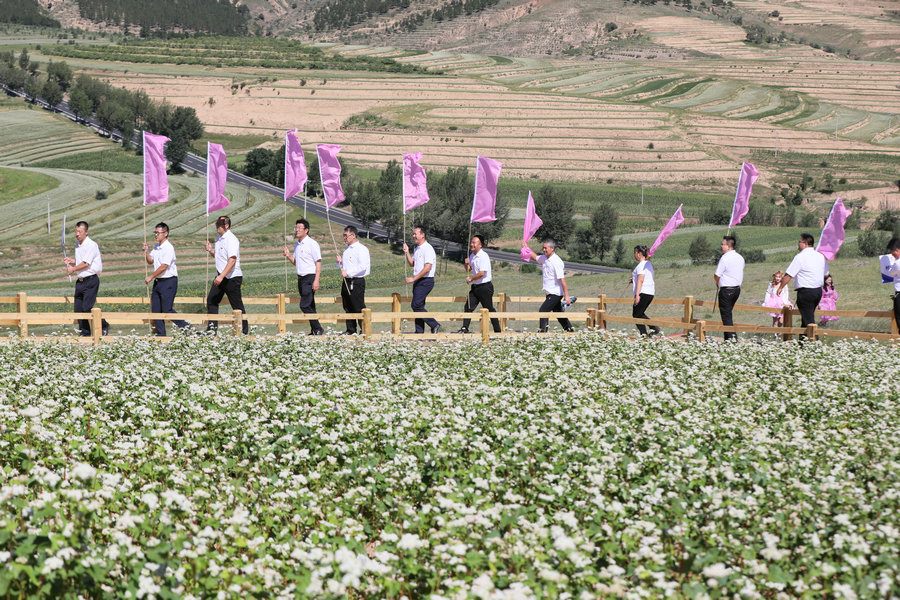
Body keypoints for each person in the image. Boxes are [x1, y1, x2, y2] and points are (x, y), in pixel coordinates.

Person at [143, 222, 190, 336]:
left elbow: (164, 266)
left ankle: (187, 328)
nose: (156, 235)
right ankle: (161, 335)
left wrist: (151, 276)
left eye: (158, 233)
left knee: (167, 310)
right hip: (158, 282)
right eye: (155, 232)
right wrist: (146, 252)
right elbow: (150, 261)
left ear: (165, 233)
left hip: (169, 281)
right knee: (156, 310)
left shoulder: (168, 248)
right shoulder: (156, 247)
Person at [64, 220, 109, 337]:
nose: (77, 234)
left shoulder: (91, 245)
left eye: (80, 231)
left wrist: (73, 269)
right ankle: (85, 334)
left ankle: (104, 325)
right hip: (80, 281)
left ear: (86, 232)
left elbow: (86, 263)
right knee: (78, 310)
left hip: (91, 280)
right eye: (76, 231)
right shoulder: (78, 245)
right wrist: (72, 261)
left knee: (87, 308)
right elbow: (81, 261)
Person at [776, 233, 827, 336]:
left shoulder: (800, 257)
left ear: (805, 243)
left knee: (809, 321)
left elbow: (789, 275)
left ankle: (815, 341)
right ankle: (802, 342)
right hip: (818, 291)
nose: (798, 244)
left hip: (806, 292)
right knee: (806, 317)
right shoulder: (820, 256)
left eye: (799, 242)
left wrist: (780, 287)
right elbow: (825, 273)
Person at [205, 215, 248, 334]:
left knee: (236, 305)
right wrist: (211, 250)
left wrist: (221, 276)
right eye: (217, 224)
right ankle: (211, 330)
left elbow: (232, 260)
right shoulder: (219, 238)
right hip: (222, 276)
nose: (217, 227)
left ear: (226, 226)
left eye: (219, 225)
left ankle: (243, 332)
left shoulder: (231, 239)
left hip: (232, 277)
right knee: (212, 300)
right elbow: (219, 256)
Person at [521, 238, 574, 333]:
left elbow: (562, 280)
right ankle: (570, 331)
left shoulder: (556, 261)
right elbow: (535, 257)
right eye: (543, 248)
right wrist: (526, 247)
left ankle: (542, 333)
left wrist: (566, 296)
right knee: (559, 314)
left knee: (543, 311)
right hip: (549, 293)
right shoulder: (545, 258)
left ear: (552, 248)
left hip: (555, 293)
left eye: (546, 248)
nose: (544, 250)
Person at [283, 218, 324, 335]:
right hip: (300, 278)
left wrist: (316, 280)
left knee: (304, 305)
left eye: (299, 228)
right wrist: (288, 255)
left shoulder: (312, 244)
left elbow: (318, 262)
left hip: (310, 277)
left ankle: (318, 328)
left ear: (306, 230)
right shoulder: (297, 244)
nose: (297, 230)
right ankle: (315, 330)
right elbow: (296, 262)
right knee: (310, 305)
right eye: (296, 227)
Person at [457, 234, 500, 334]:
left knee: (489, 309)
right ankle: (464, 328)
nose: (472, 244)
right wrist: (466, 264)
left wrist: (471, 278)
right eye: (471, 242)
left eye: (474, 242)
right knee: (468, 306)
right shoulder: (472, 255)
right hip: (475, 287)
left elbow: (482, 273)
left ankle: (498, 331)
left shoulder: (483, 256)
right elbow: (469, 270)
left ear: (480, 245)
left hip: (485, 287)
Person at [403, 225, 441, 334]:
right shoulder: (417, 248)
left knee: (416, 305)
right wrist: (407, 252)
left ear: (422, 235)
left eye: (415, 234)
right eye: (413, 234)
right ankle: (419, 332)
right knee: (419, 306)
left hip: (426, 281)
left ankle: (434, 324)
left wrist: (413, 278)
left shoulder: (427, 248)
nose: (413, 236)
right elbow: (412, 263)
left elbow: (427, 268)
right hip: (418, 281)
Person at [336, 225, 370, 334]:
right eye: (343, 235)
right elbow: (345, 267)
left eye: (346, 235)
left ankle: (365, 330)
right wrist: (340, 262)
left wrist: (348, 273)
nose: (344, 238)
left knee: (358, 306)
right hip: (347, 281)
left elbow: (363, 266)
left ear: (353, 235)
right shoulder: (346, 250)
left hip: (356, 282)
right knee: (347, 306)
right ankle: (350, 330)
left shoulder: (362, 249)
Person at [713, 235, 744, 341]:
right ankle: (727, 339)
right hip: (737, 290)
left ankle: (732, 340)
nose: (721, 246)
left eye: (723, 244)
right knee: (728, 314)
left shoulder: (725, 258)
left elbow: (717, 275)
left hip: (726, 290)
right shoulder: (740, 257)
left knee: (726, 316)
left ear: (729, 246)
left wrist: (717, 283)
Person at [631, 245, 659, 337]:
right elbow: (644, 277)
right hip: (650, 292)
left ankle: (647, 332)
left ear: (639, 253)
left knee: (636, 314)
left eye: (635, 253)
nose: (634, 255)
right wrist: (633, 280)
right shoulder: (648, 264)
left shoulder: (640, 265)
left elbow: (641, 280)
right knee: (639, 313)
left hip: (643, 292)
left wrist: (637, 295)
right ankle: (649, 330)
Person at [882, 237, 900, 331]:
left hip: (899, 293)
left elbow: (891, 274)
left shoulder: (897, 263)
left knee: (898, 317)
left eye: (893, 251)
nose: (892, 253)